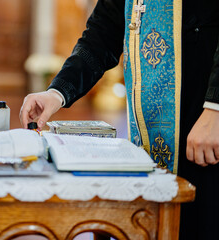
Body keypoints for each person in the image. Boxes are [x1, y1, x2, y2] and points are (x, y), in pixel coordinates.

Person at [20, 0, 219, 239]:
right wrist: (57, 92)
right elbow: (101, 34)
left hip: (205, 118)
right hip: (154, 136)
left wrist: (215, 108)